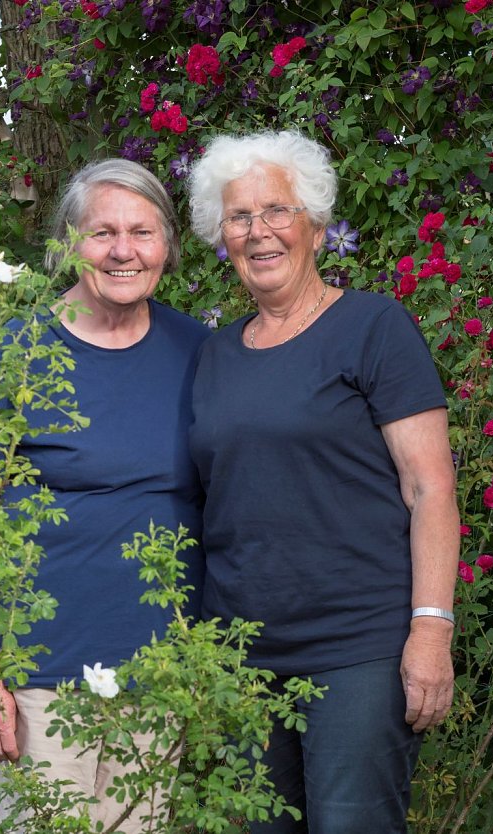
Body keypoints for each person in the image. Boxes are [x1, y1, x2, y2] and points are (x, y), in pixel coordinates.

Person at [186, 130, 459, 834]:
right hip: (240, 660)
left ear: (312, 222)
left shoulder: (373, 328)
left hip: (356, 651)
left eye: (276, 211)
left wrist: (431, 631)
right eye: (240, 218)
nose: (259, 232)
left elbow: (430, 488)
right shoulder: (214, 355)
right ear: (223, 237)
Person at [0, 158, 209, 833]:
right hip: (39, 678)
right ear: (69, 243)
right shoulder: (12, 353)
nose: (124, 250)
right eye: (102, 233)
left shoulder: (200, 352)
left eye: (143, 232)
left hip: (160, 676)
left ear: (167, 246)